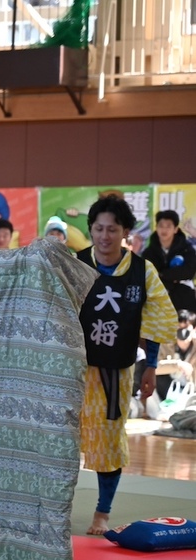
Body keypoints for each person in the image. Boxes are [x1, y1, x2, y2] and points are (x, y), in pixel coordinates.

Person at [75, 195, 175, 535]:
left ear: (125, 233)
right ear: (90, 230)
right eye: (99, 229)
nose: (105, 236)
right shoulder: (75, 264)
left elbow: (159, 315)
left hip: (115, 370)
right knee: (61, 440)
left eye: (112, 229)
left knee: (108, 438)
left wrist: (151, 365)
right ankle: (55, 510)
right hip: (72, 371)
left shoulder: (141, 269)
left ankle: (102, 513)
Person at [141, 209, 196, 315]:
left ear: (175, 229)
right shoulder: (148, 253)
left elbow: (189, 272)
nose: (164, 229)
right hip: (157, 301)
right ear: (156, 228)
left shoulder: (186, 249)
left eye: (168, 226)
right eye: (161, 225)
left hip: (184, 299)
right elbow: (148, 276)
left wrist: (162, 274)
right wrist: (173, 276)